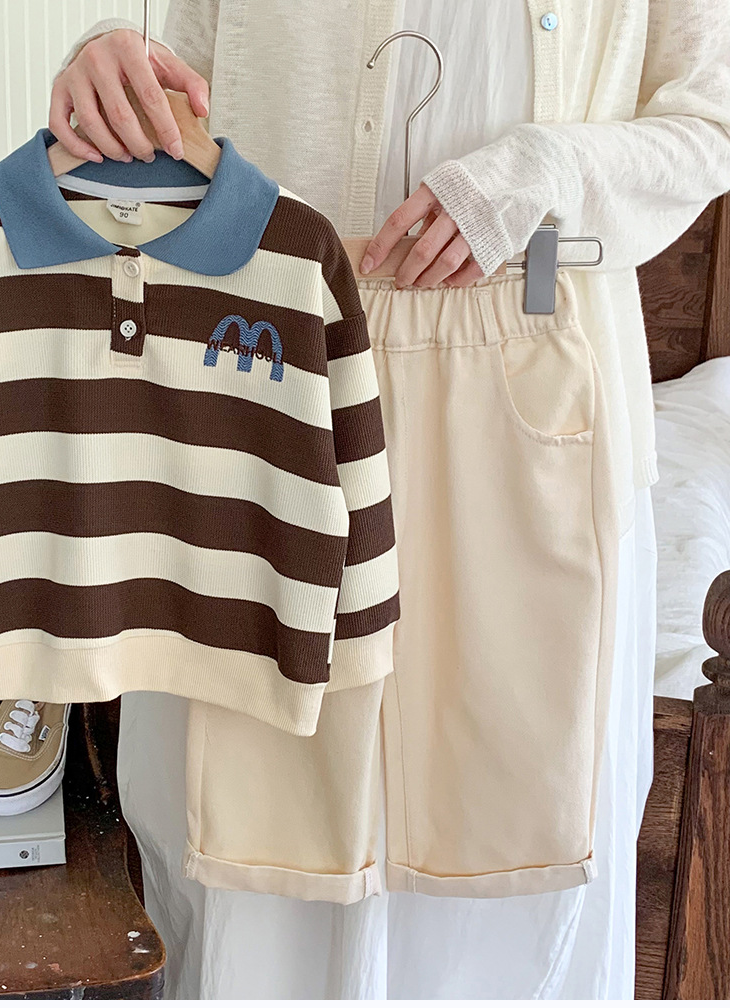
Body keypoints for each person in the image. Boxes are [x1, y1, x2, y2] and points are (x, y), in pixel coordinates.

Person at [48, 3, 730, 998]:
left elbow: (710, 117)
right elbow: (172, 79)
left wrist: (547, 171)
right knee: (248, 853)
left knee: (505, 856)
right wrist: (103, 68)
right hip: (264, 380)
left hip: (541, 379)